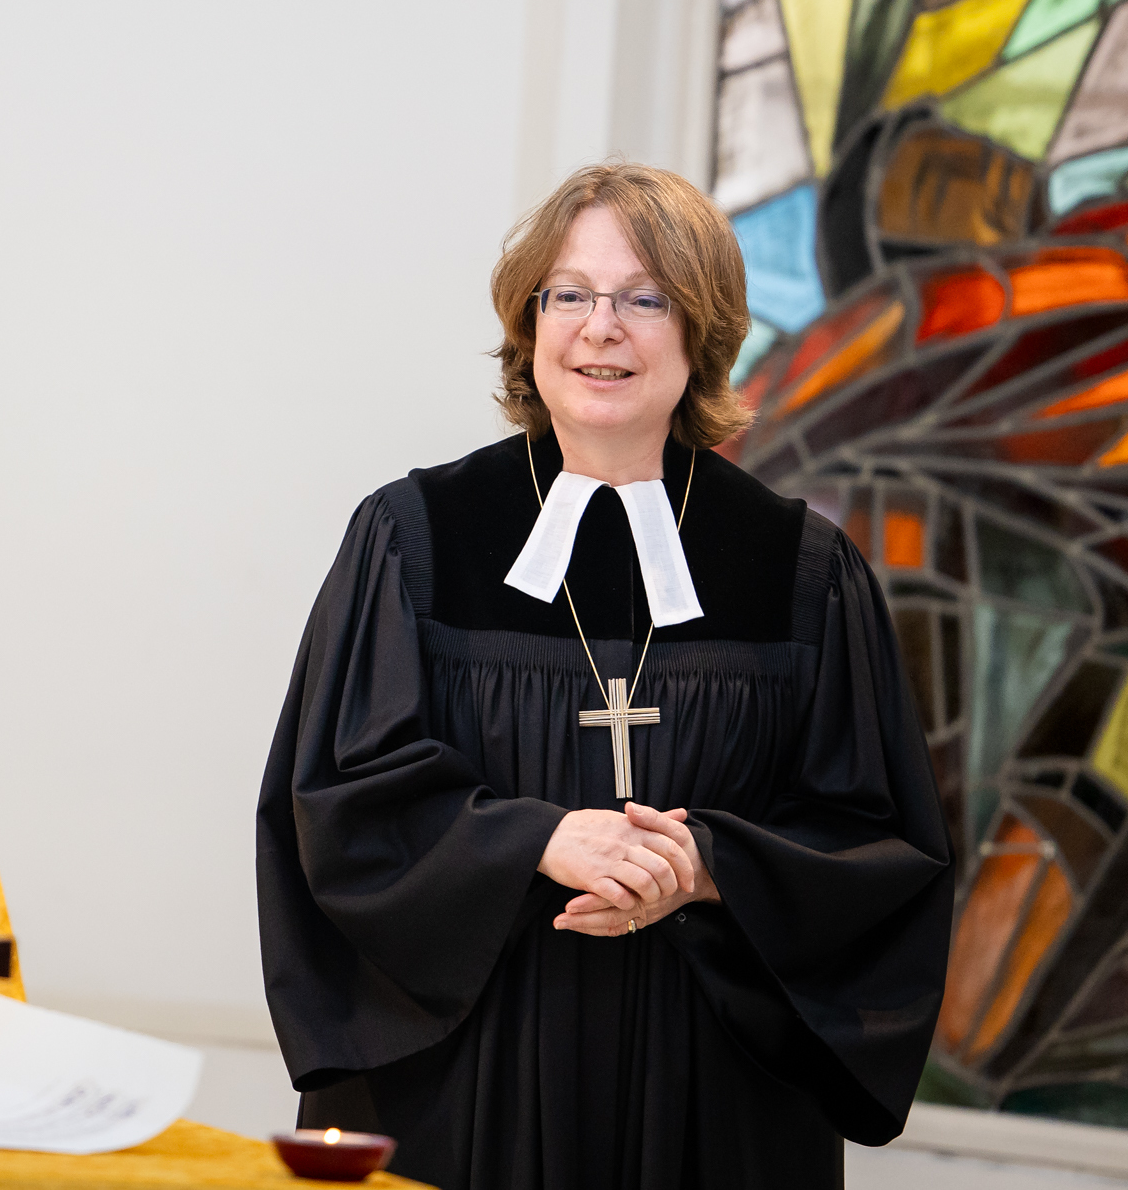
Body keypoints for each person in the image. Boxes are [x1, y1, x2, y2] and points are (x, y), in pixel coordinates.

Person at [256, 163, 952, 1190]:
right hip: (469, 1080)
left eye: (644, 298)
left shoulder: (800, 570)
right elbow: (336, 799)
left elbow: (877, 839)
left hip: (710, 1087)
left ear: (702, 329)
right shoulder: (416, 537)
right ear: (529, 319)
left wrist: (706, 864)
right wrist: (537, 839)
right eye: (570, 293)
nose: (600, 328)